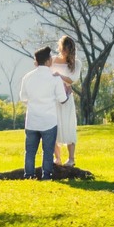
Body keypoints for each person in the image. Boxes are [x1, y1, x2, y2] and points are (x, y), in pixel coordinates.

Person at [19, 45, 71, 179]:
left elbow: (23, 98)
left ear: (36, 61)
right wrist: (68, 93)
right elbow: (62, 100)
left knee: (30, 152)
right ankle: (46, 176)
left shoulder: (27, 77)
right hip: (49, 121)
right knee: (47, 152)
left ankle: (28, 175)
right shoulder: (54, 78)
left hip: (32, 121)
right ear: (48, 61)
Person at [51, 35, 80, 167]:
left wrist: (60, 76)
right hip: (54, 98)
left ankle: (71, 158)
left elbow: (72, 80)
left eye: (67, 50)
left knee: (68, 125)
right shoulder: (52, 60)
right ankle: (57, 158)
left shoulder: (76, 63)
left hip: (67, 98)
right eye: (63, 49)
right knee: (54, 125)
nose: (64, 52)